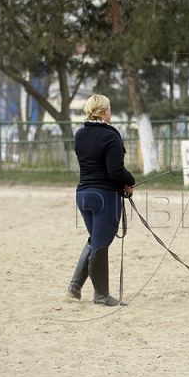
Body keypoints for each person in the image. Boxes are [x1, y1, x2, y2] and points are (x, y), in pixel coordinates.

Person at [66, 94, 135, 306]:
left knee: (95, 240)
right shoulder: (110, 135)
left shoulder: (80, 134)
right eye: (110, 109)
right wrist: (130, 181)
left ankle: (75, 287)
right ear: (105, 111)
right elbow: (115, 171)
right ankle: (101, 296)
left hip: (83, 195)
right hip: (105, 197)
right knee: (100, 244)